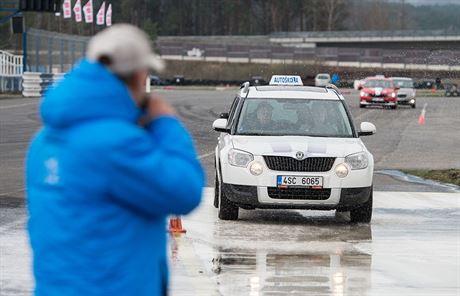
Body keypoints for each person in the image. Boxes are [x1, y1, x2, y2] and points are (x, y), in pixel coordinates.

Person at [25, 24, 204, 296]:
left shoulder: (43, 141)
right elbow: (185, 191)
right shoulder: (116, 144)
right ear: (137, 75)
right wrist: (166, 122)